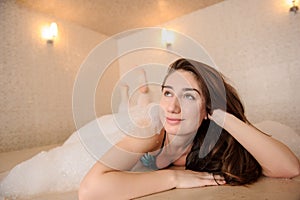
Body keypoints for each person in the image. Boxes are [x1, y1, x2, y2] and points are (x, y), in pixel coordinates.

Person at [78, 58, 300, 200]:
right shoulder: (151, 132)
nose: (172, 107)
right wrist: (174, 179)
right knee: (133, 108)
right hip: (112, 134)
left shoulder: (213, 139)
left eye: (188, 96)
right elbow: (90, 190)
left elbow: (289, 169)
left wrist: (224, 117)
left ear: (209, 108)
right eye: (167, 93)